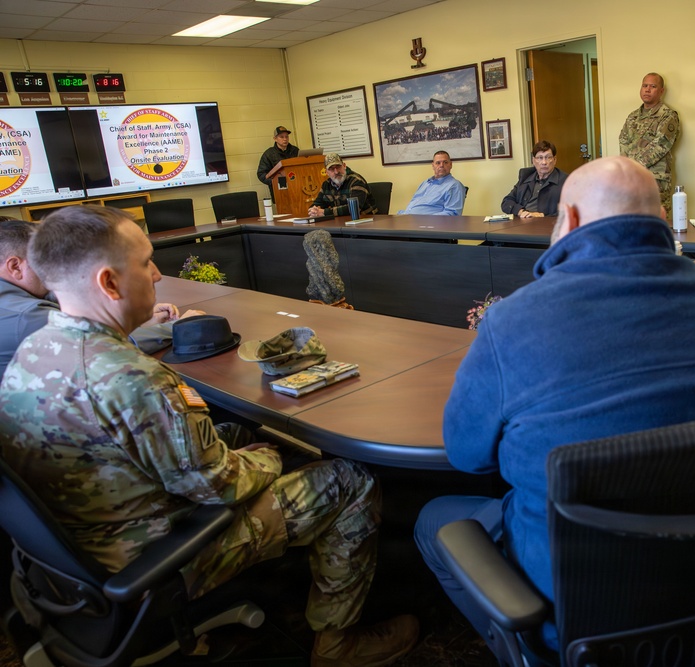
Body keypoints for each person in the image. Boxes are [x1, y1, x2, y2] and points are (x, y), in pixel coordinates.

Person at [0, 205, 419, 667]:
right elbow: (219, 486)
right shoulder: (131, 378)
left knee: (236, 431)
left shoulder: (33, 350)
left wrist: (249, 453)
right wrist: (271, 458)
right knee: (351, 480)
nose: (156, 274)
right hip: (155, 558)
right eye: (145, 263)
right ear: (110, 283)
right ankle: (339, 646)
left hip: (73, 557)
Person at [414, 156, 695, 656]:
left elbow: (467, 455)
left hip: (580, 610)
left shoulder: (515, 320)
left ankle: (527, 653)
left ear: (570, 220)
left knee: (434, 519)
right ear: (661, 220)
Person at [0, 217, 196, 378]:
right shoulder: (27, 316)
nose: (53, 268)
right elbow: (106, 347)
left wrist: (137, 320)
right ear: (15, 267)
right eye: (42, 260)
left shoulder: (14, 301)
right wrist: (177, 328)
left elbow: (86, 327)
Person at [619, 72, 680, 220]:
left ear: (661, 91)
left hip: (656, 180)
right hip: (632, 178)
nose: (647, 89)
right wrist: (627, 168)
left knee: (657, 221)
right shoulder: (633, 116)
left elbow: (661, 146)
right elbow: (623, 141)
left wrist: (634, 165)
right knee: (634, 219)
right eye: (644, 85)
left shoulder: (668, 116)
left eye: (653, 86)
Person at [499, 140, 567, 218]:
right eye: (540, 158)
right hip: (523, 221)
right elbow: (506, 202)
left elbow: (574, 210)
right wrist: (521, 212)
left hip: (547, 223)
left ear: (555, 160)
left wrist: (542, 215)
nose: (544, 162)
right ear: (533, 161)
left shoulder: (566, 181)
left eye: (548, 157)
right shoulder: (526, 177)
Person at [307, 153, 376, 217]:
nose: (336, 172)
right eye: (331, 169)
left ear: (344, 166)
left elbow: (354, 208)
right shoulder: (326, 185)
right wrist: (314, 211)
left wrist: (324, 212)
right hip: (340, 221)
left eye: (338, 167)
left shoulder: (356, 181)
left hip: (365, 219)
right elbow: (315, 205)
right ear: (326, 172)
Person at [398, 151, 465, 215]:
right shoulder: (425, 183)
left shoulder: (454, 186)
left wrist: (424, 219)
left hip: (425, 222)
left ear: (450, 165)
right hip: (405, 218)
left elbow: (452, 214)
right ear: (433, 166)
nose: (441, 165)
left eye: (445, 162)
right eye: (438, 163)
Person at [256, 125, 299, 196]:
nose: (285, 139)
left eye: (286, 136)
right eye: (281, 137)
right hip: (278, 191)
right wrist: (275, 182)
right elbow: (261, 174)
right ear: (275, 139)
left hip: (296, 187)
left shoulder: (295, 150)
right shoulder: (269, 154)